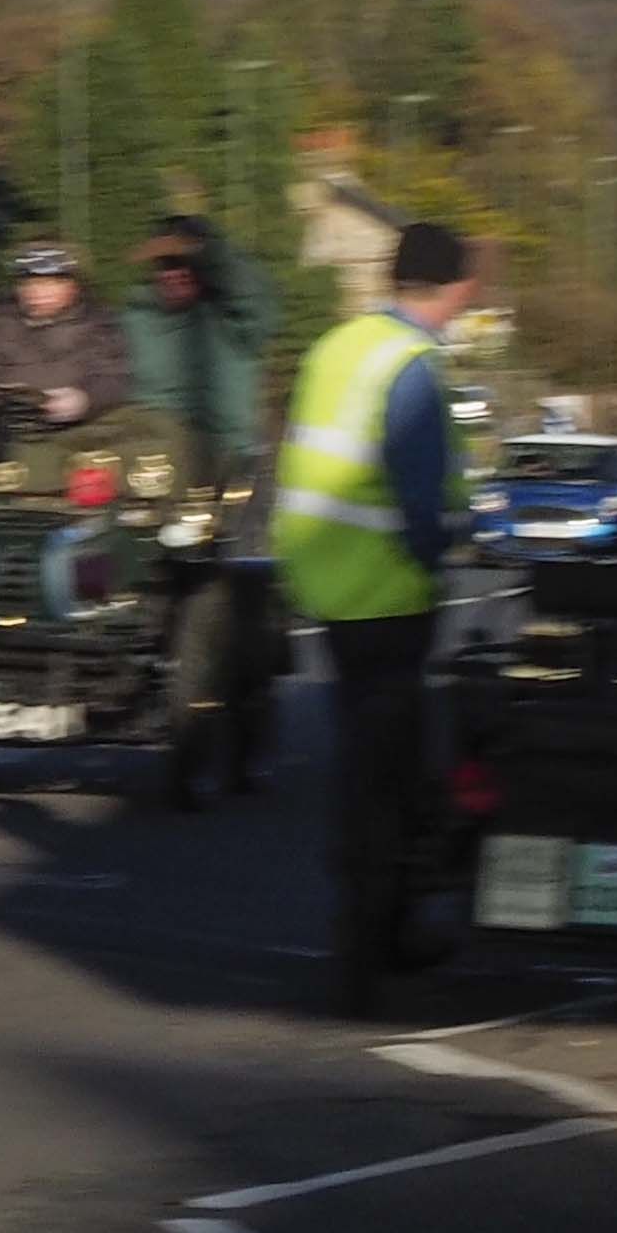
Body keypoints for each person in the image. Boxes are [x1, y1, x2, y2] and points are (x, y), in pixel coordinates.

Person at [274, 219, 482, 967]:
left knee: (361, 757)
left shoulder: (337, 346)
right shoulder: (412, 364)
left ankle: (365, 919)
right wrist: (445, 549)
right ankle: (380, 933)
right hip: (388, 592)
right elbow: (420, 498)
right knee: (389, 770)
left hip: (325, 585)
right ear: (457, 289)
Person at [121, 213, 269, 478]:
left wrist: (207, 248)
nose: (175, 274)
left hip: (227, 459)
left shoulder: (233, 316)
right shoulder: (136, 317)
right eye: (166, 265)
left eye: (186, 264)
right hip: (155, 459)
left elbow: (247, 289)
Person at [0, 244, 131, 427]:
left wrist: (83, 400)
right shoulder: (2, 324)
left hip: (77, 426)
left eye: (51, 283)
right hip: (7, 424)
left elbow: (112, 378)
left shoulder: (98, 326)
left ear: (72, 287)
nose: (39, 292)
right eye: (31, 284)